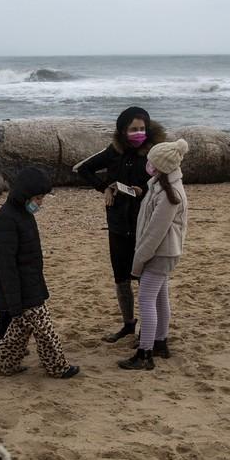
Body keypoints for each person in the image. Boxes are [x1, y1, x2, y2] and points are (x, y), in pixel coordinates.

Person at [74, 106, 166, 343]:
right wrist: (104, 187)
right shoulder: (113, 151)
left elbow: (165, 181)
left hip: (143, 223)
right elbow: (83, 169)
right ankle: (128, 324)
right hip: (116, 223)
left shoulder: (154, 153)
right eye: (133, 129)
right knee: (120, 277)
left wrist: (143, 189)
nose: (139, 133)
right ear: (123, 131)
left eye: (142, 129)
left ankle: (149, 329)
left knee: (146, 279)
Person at [0, 166, 80, 379]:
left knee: (18, 332)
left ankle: (6, 366)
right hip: (21, 289)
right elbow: (4, 265)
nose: (40, 203)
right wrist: (14, 302)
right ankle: (58, 367)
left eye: (42, 198)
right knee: (45, 331)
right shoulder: (7, 219)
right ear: (25, 195)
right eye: (38, 198)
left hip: (29, 284)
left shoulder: (21, 214)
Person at [121, 138, 189, 371]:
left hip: (161, 253)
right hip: (164, 252)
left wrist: (140, 259)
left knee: (147, 299)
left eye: (151, 162)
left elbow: (155, 232)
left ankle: (146, 352)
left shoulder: (170, 194)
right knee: (160, 297)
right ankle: (160, 342)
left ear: (160, 165)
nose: (147, 165)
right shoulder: (162, 184)